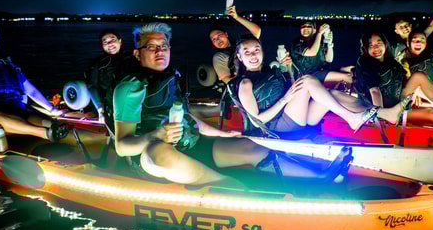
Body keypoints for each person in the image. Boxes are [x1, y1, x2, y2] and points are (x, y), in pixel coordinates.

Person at [113, 23, 344, 187]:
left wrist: (222, 134)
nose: (159, 51)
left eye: (163, 46)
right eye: (151, 47)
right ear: (137, 54)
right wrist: (156, 135)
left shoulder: (173, 78)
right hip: (155, 158)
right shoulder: (130, 88)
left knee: (251, 146)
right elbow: (123, 146)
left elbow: (188, 119)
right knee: (158, 152)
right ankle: (228, 185)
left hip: (191, 146)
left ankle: (319, 177)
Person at [232, 35, 409, 137]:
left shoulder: (268, 71)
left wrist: (288, 69)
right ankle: (351, 117)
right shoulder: (245, 83)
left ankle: (385, 114)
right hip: (277, 125)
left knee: (332, 94)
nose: (253, 55)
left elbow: (293, 88)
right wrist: (285, 100)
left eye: (256, 50)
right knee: (308, 80)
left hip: (294, 115)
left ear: (262, 51)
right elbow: (257, 120)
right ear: (239, 57)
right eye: (247, 52)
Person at [84, 29, 134, 125]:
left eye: (112, 40)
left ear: (120, 41)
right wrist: (100, 109)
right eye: (105, 42)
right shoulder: (97, 64)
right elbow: (91, 86)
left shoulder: (133, 59)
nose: (110, 44)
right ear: (102, 46)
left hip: (131, 104)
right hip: (108, 106)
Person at [290, 21, 353, 88]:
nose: (306, 28)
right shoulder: (297, 43)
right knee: (347, 77)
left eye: (309, 26)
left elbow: (329, 59)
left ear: (314, 30)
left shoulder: (318, 42)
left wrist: (329, 44)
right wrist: (319, 33)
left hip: (322, 71)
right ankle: (350, 92)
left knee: (352, 69)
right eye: (303, 26)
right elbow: (312, 52)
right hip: (309, 75)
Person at [208, 3, 262, 84]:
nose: (218, 40)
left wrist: (236, 17)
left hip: (259, 78)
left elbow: (257, 31)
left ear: (226, 34)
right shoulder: (219, 57)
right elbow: (227, 80)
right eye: (214, 39)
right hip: (243, 85)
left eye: (219, 35)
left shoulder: (240, 44)